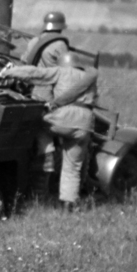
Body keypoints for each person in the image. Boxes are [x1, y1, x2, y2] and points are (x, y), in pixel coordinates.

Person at [41, 51, 99, 209]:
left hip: (63, 120)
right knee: (72, 167)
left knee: (39, 124)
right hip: (84, 125)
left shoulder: (61, 75)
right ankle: (69, 204)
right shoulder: (86, 78)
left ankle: (47, 155)